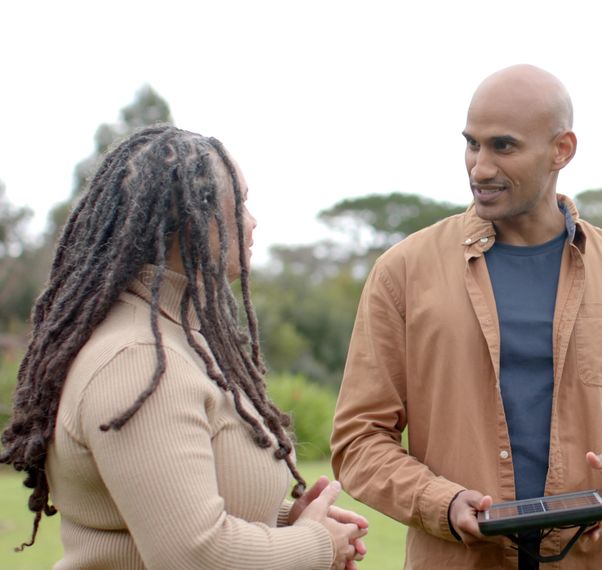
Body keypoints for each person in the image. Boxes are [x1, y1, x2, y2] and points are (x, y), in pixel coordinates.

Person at [330, 64, 602, 569]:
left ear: (561, 150)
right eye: (471, 144)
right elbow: (359, 442)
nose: (479, 167)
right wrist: (443, 501)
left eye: (503, 147)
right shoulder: (404, 272)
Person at [0, 125, 368, 569]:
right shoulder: (138, 362)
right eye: (243, 204)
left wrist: (288, 521)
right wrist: (318, 544)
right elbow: (193, 556)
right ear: (192, 218)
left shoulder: (179, 339)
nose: (253, 223)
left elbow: (172, 509)